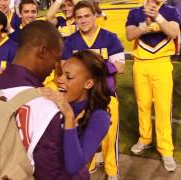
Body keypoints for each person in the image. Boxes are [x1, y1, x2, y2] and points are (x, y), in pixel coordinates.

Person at [0, 20, 87, 179]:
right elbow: (50, 174)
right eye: (56, 58)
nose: (56, 66)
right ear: (42, 51)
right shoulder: (45, 106)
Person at [62, 1, 125, 179]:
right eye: (79, 17)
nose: (83, 20)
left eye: (87, 15)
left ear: (95, 15)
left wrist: (86, 67)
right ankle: (86, 168)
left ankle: (112, 172)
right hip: (80, 99)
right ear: (74, 19)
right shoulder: (70, 41)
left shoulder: (109, 37)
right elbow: (64, 67)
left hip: (106, 95)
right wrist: (103, 65)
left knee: (110, 138)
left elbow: (120, 67)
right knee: (82, 139)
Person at [126, 0, 181, 172]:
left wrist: (157, 16)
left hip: (162, 63)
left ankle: (166, 150)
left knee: (163, 107)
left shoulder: (170, 10)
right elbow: (129, 35)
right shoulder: (135, 11)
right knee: (143, 105)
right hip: (140, 64)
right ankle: (145, 138)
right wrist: (145, 24)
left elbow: (173, 32)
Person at [38, 50, 111, 178]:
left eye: (69, 77)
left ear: (88, 83)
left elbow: (73, 165)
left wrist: (69, 116)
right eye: (60, 74)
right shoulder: (53, 102)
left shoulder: (99, 117)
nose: (60, 80)